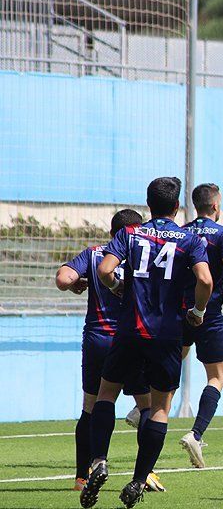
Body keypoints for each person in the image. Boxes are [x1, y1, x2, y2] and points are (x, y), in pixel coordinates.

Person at [79, 177, 212, 509]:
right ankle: (139, 479)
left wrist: (118, 288)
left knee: (106, 394)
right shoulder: (189, 239)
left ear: (148, 205)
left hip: (129, 332)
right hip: (167, 335)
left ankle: (99, 461)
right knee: (160, 408)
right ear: (177, 207)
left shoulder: (130, 234)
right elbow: (206, 280)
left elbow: (106, 269)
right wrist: (197, 311)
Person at [55, 209, 164, 493]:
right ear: (135, 230)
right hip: (131, 338)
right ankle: (146, 472)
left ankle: (83, 475)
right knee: (147, 406)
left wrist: (76, 283)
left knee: (92, 405)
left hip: (97, 339)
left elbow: (63, 278)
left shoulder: (93, 254)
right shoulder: (145, 253)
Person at [179, 183, 223, 468]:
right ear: (215, 206)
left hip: (178, 311)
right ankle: (195, 434)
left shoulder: (181, 232)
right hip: (208, 314)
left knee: (173, 359)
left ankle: (139, 408)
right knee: (217, 376)